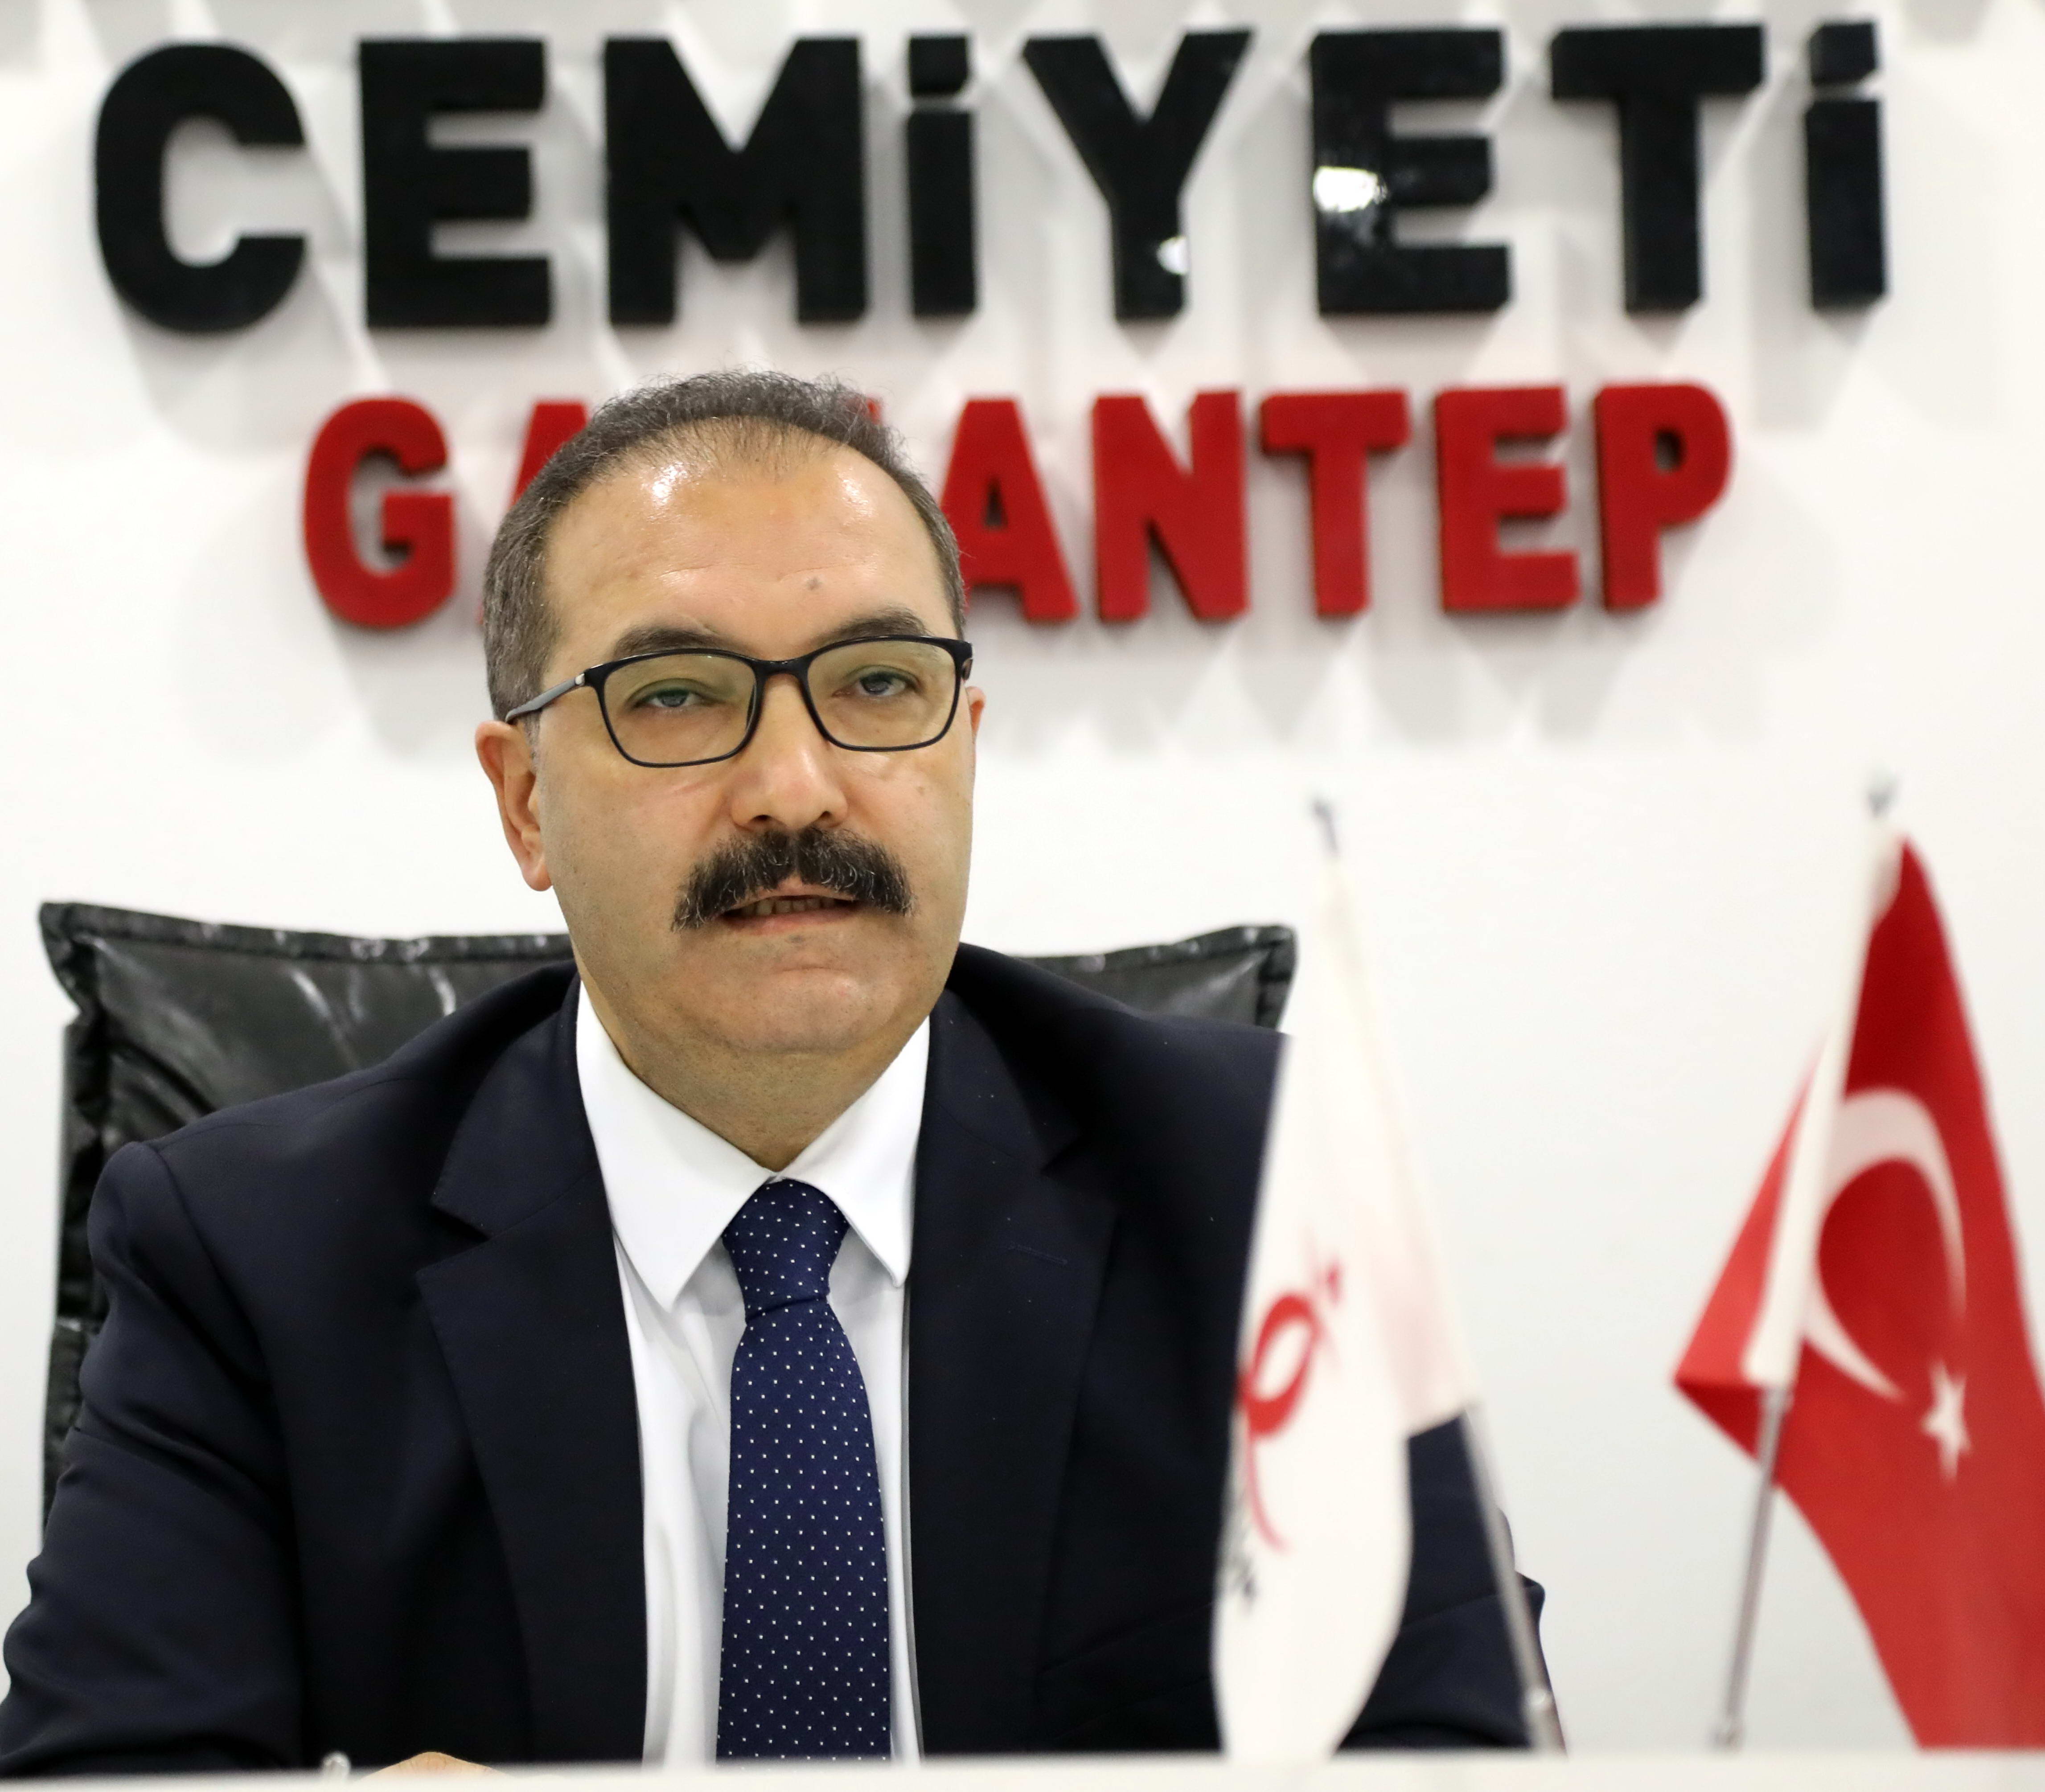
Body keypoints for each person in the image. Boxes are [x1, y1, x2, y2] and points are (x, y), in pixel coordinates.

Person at [0, 371, 1544, 1774]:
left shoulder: (1258, 1183)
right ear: (524, 801)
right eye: (675, 697)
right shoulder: (253, 1258)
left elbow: (1453, 1747)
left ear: (963, 742)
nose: (795, 789)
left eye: (876, 684)